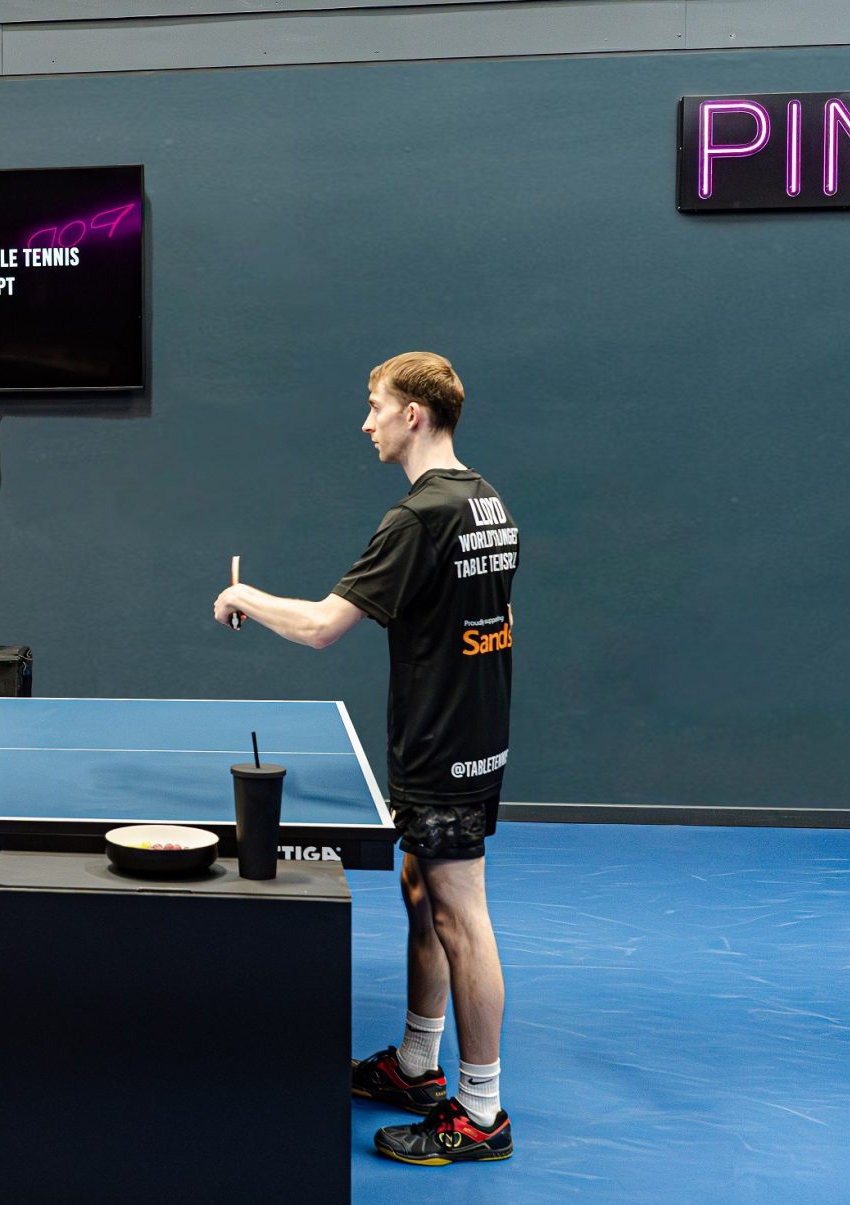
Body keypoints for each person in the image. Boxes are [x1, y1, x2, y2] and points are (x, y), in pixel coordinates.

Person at [212, 351, 518, 1166]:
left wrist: (245, 596)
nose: (367, 420)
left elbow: (320, 625)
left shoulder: (417, 518)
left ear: (413, 414)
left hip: (440, 740)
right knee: (423, 893)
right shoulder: (487, 501)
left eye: (375, 405)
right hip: (471, 730)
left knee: (459, 911)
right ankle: (419, 1067)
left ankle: (481, 1112)